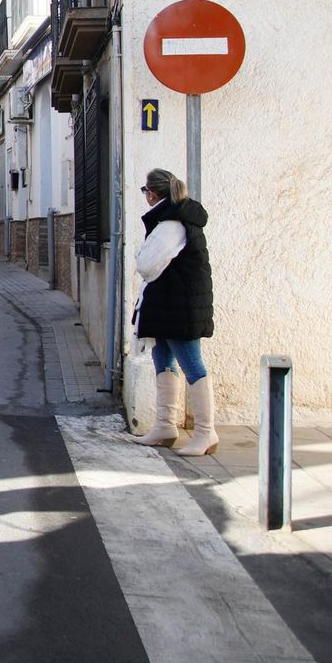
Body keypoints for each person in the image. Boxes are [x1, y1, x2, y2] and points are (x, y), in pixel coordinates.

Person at [129, 168, 218, 457]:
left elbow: (146, 263)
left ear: (152, 193)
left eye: (145, 191)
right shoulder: (174, 218)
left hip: (180, 305)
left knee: (191, 363)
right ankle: (165, 426)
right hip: (171, 304)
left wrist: (138, 255)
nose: (146, 196)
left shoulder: (172, 223)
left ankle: (206, 433)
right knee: (163, 358)